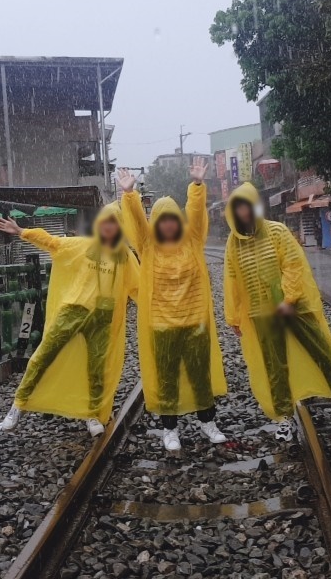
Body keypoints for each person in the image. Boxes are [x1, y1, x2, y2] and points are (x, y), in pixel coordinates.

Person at [222, 183, 331, 441]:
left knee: (322, 351)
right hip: (261, 313)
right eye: (238, 208)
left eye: (246, 206)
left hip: (294, 308)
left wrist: (288, 299)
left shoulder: (277, 231)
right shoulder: (233, 244)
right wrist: (233, 316)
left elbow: (293, 265)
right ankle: (284, 416)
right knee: (275, 367)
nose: (243, 212)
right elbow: (232, 280)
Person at [0, 203, 139, 436]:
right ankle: (19, 404)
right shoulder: (84, 245)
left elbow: (138, 287)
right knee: (44, 354)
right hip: (74, 309)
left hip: (103, 318)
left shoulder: (125, 257)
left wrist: (158, 309)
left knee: (97, 368)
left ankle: (92, 414)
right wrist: (22, 231)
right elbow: (54, 243)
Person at [117, 159, 228, 452]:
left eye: (172, 218)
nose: (167, 223)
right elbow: (136, 223)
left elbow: (197, 213)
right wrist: (129, 194)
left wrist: (197, 185)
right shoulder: (148, 246)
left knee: (199, 373)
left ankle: (208, 421)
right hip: (161, 323)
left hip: (195, 321)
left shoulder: (193, 241)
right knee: (166, 377)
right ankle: (170, 429)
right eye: (161, 219)